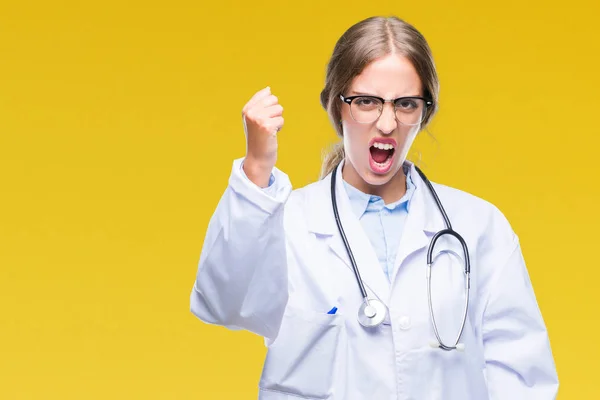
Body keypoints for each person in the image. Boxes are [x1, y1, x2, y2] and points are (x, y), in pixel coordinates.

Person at [190, 15, 558, 399]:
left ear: (424, 112)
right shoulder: (286, 223)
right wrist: (256, 169)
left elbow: (522, 376)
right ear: (337, 105)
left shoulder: (479, 227)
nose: (387, 122)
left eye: (406, 104)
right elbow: (221, 304)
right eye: (366, 101)